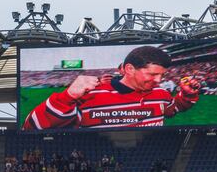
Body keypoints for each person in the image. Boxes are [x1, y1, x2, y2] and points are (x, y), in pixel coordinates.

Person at [23, 46, 201, 130]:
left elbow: (172, 109)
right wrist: (68, 96)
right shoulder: (91, 95)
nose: (159, 80)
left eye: (162, 75)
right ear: (129, 69)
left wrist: (186, 96)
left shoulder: (160, 94)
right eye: (153, 74)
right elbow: (31, 127)